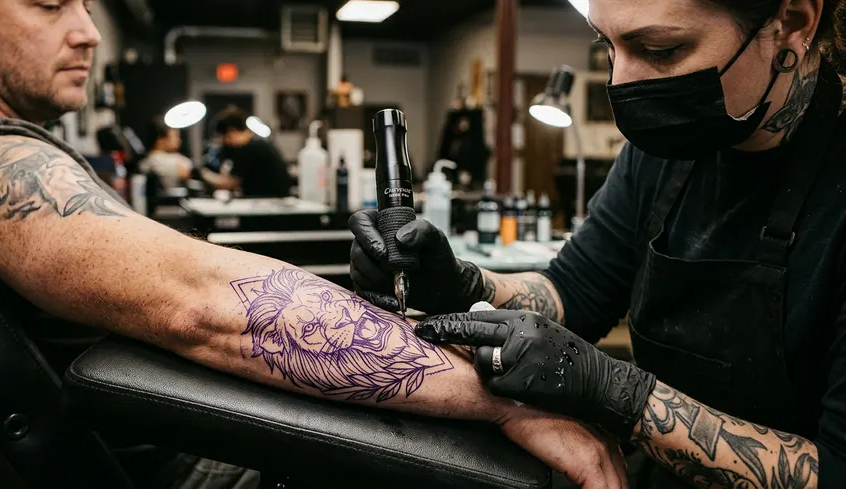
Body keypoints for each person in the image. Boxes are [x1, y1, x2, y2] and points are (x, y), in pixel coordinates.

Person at [0, 1, 626, 488]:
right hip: (196, 460)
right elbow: (204, 299)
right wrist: (512, 396)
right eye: (49, 5)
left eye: (87, 6)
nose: (88, 32)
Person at [349, 0, 846, 488]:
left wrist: (618, 394)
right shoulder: (666, 151)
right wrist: (460, 284)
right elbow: (574, 290)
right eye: (607, 46)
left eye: (660, 48)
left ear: (793, 23)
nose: (620, 83)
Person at [214, 106, 292, 198]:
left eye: (226, 138)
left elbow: (229, 183)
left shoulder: (250, 149)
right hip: (272, 201)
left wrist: (203, 174)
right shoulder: (259, 144)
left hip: (268, 203)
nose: (227, 143)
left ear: (232, 131)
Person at [139, 117, 193, 191]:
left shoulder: (149, 159)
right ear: (160, 140)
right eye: (175, 136)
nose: (179, 141)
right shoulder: (156, 160)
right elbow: (187, 171)